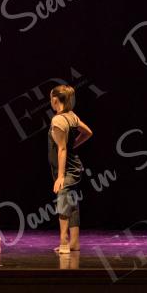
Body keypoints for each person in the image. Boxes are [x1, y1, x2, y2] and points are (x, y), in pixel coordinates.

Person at [49, 84, 92, 253]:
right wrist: (72, 145)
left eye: (50, 99)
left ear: (55, 100)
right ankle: (74, 242)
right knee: (71, 203)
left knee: (63, 200)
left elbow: (62, 149)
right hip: (74, 167)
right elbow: (88, 132)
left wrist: (60, 176)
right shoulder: (71, 116)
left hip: (68, 169)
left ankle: (64, 242)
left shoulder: (57, 120)